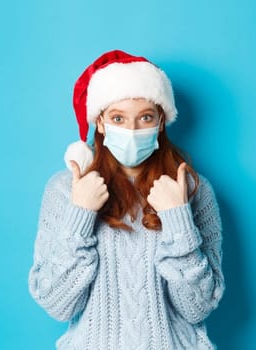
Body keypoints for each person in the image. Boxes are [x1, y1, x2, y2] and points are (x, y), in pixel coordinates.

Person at [27, 49, 225, 350]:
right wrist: (80, 214)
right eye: (118, 118)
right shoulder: (65, 189)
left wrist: (178, 217)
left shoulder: (194, 190)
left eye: (145, 117)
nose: (131, 131)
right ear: (101, 123)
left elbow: (196, 307)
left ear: (161, 122)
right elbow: (57, 304)